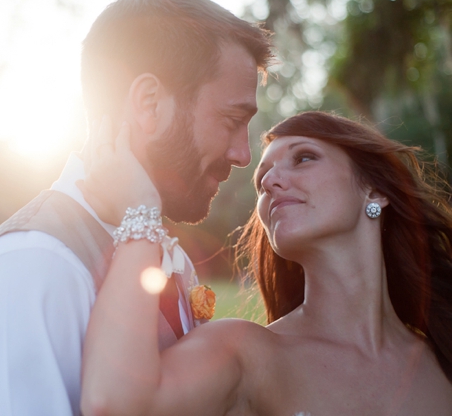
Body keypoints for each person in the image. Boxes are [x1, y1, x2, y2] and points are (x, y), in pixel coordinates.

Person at [0, 0, 272, 415]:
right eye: (231, 120)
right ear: (149, 103)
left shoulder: (156, 247)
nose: (243, 154)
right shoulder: (30, 267)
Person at [80, 111, 452, 415]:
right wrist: (140, 210)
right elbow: (113, 403)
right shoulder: (243, 352)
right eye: (261, 180)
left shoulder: (442, 355)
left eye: (303, 157)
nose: (271, 181)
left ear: (375, 190)